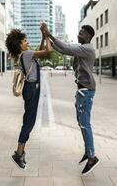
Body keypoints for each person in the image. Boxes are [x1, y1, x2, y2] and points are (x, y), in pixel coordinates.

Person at [41, 23, 99, 175]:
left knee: (85, 124)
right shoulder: (82, 49)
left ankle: (92, 157)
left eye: (81, 32)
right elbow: (62, 49)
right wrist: (47, 36)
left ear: (88, 35)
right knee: (81, 123)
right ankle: (88, 152)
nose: (78, 34)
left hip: (86, 91)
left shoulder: (87, 49)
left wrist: (50, 34)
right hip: (82, 91)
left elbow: (66, 48)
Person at [5, 28, 51, 170]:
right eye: (25, 41)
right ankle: (19, 154)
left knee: (29, 120)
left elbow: (40, 50)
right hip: (31, 89)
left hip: (31, 89)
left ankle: (20, 152)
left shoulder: (26, 54)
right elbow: (47, 51)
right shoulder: (26, 54)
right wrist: (48, 35)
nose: (27, 42)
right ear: (19, 44)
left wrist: (43, 37)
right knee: (29, 122)